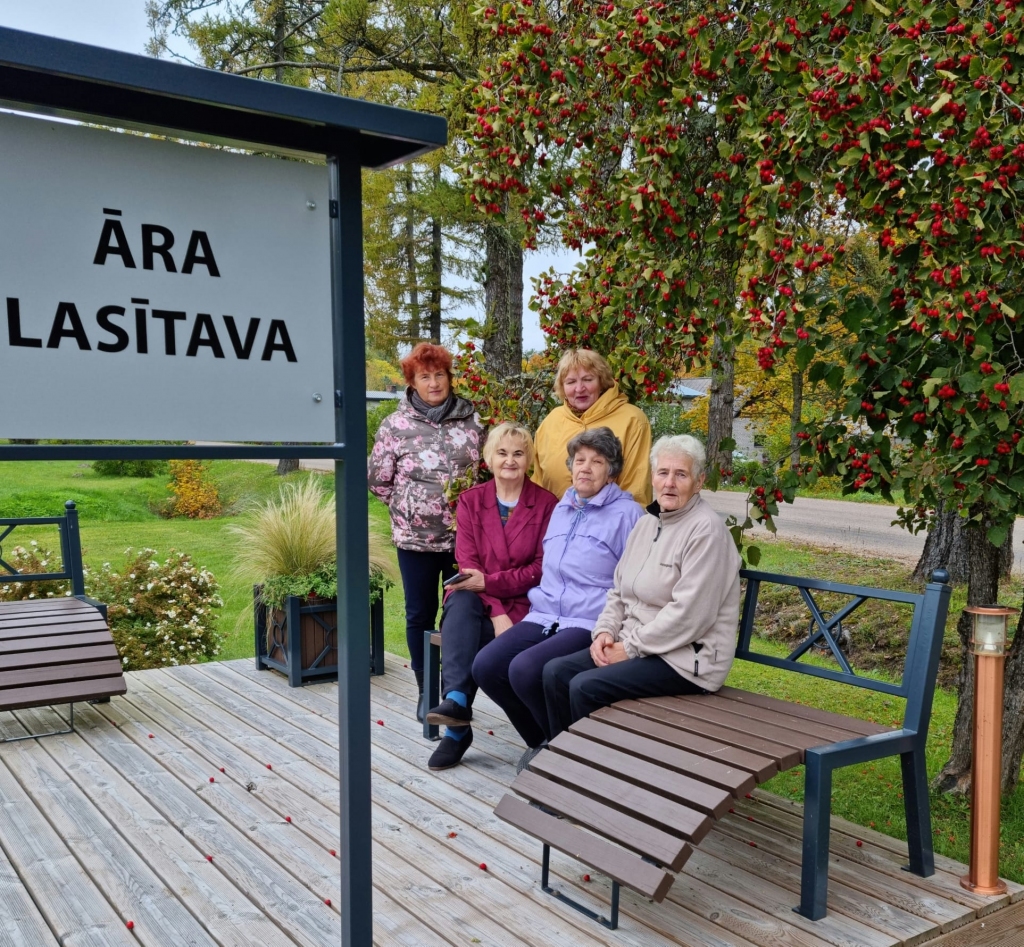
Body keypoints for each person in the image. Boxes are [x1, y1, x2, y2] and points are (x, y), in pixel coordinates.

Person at [541, 434, 741, 742]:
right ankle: (562, 761)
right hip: (641, 645)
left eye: (681, 474)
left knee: (585, 686)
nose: (669, 483)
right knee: (556, 673)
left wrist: (629, 648)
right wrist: (605, 632)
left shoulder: (707, 532)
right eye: (663, 473)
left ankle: (594, 774)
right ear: (653, 477)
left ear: (699, 481)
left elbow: (689, 616)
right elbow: (619, 591)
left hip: (686, 659)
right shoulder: (647, 524)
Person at [473, 427, 643, 767]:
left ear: (611, 471)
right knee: (486, 666)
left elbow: (633, 581)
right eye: (580, 460)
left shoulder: (628, 515)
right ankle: (543, 741)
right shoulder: (563, 507)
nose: (586, 468)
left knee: (524, 669)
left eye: (597, 461)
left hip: (588, 619)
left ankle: (566, 755)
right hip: (545, 612)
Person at [424, 422, 559, 770]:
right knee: (461, 598)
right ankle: (455, 703)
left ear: (529, 459)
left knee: (468, 631)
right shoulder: (471, 501)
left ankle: (457, 729)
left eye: (518, 453)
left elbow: (541, 568)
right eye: (502, 452)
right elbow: (468, 567)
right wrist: (497, 609)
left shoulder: (546, 504)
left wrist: (492, 588)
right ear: (488, 458)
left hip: (527, 602)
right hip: (481, 601)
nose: (510, 460)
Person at [368, 342, 483, 719]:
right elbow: (378, 481)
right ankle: (425, 689)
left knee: (460, 613)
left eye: (439, 375)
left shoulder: (472, 420)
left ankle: (454, 692)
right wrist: (410, 507)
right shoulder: (395, 426)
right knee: (420, 613)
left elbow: (486, 473)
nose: (434, 383)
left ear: (449, 378)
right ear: (412, 382)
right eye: (424, 376)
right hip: (414, 541)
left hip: (463, 539)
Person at [532, 349, 653, 505]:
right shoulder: (550, 422)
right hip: (556, 524)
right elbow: (537, 484)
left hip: (611, 526)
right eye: (571, 382)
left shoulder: (633, 420)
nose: (579, 388)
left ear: (601, 381)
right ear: (562, 387)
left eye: (587, 379)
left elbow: (636, 491)